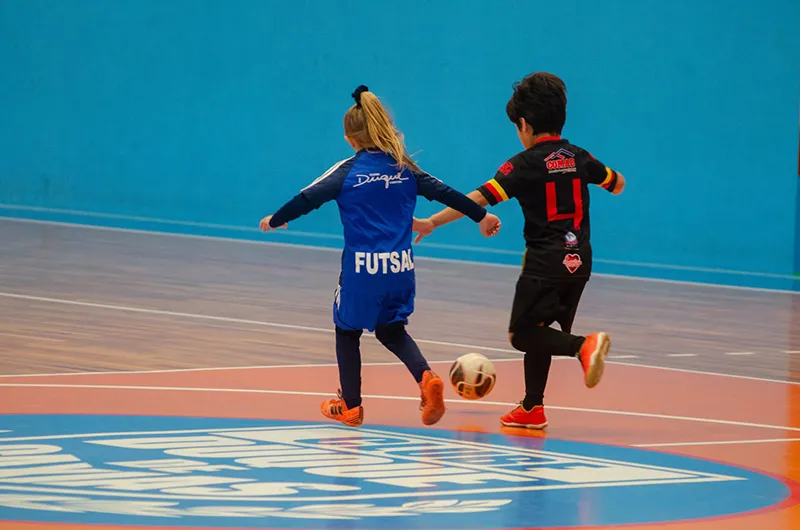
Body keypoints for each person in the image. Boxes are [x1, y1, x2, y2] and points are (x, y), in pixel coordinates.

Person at [260, 85, 502, 427]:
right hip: (401, 270)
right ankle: (426, 378)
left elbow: (308, 197)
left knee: (346, 330)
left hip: (362, 273)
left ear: (349, 138)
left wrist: (277, 219)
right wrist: (482, 216)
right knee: (392, 330)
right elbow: (446, 193)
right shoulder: (404, 167)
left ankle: (351, 405)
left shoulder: (348, 171)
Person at [415, 72, 625, 429]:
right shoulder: (579, 156)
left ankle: (582, 346)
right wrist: (592, 174)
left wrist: (432, 221)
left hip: (544, 261)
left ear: (524, 124)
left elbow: (478, 198)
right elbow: (616, 183)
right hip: (580, 261)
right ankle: (532, 407)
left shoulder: (523, 164)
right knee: (542, 329)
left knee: (523, 334)